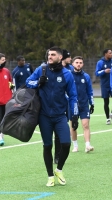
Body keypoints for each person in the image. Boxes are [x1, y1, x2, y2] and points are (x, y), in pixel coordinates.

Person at [26, 46, 79, 187]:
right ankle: (50, 176)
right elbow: (27, 82)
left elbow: (73, 96)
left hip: (60, 115)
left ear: (60, 57)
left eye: (53, 54)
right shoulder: (41, 70)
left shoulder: (67, 74)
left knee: (66, 144)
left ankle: (59, 170)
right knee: (47, 145)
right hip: (44, 116)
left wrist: (74, 116)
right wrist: (38, 82)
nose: (49, 56)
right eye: (48, 54)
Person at [70, 56, 95, 153]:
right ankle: (75, 146)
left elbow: (90, 91)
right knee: (73, 126)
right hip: (73, 105)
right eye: (76, 62)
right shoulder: (69, 75)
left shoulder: (86, 76)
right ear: (73, 64)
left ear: (83, 64)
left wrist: (92, 103)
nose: (78, 64)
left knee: (85, 125)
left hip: (84, 105)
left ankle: (88, 145)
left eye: (80, 62)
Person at [95, 49, 112, 125]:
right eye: (110, 53)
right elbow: (97, 73)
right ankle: (107, 118)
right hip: (105, 85)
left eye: (111, 53)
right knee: (106, 102)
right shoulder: (100, 62)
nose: (111, 54)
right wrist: (104, 71)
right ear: (105, 54)